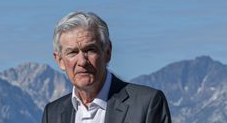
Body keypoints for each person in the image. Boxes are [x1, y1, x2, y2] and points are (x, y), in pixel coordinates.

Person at [42, 11, 172, 123]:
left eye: (90, 49)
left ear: (108, 52)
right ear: (60, 61)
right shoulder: (52, 114)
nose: (82, 61)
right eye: (73, 52)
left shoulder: (147, 104)